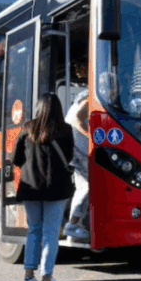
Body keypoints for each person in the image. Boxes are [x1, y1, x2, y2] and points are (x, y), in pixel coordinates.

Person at [11, 93, 74, 281]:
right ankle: (47, 280)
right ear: (58, 108)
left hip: (31, 188)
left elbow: (15, 159)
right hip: (56, 188)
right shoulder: (65, 130)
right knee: (50, 233)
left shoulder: (27, 129)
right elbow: (70, 156)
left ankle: (29, 277)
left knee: (34, 230)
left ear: (38, 108)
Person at [62, 90, 90, 243]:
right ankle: (72, 224)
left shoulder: (82, 97)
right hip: (79, 150)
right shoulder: (91, 98)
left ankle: (74, 228)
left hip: (75, 148)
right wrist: (91, 137)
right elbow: (78, 118)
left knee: (84, 186)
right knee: (86, 186)